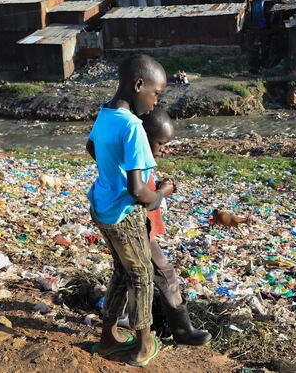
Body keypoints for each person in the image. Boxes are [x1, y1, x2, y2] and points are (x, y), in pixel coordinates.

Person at [86, 54, 171, 367]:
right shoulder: (134, 127)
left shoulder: (105, 113)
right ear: (138, 85)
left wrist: (111, 172)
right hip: (123, 215)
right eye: (156, 94)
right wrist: (161, 193)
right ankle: (143, 344)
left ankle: (108, 337)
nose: (154, 102)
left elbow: (91, 147)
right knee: (142, 275)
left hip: (102, 208)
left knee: (122, 271)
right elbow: (139, 191)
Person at [137, 107, 211, 346]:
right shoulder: (137, 158)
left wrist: (158, 185)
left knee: (130, 276)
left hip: (138, 229)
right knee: (165, 273)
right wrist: (162, 191)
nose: (163, 149)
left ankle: (124, 321)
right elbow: (141, 200)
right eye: (160, 142)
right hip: (138, 230)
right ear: (145, 137)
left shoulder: (141, 157)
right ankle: (182, 330)